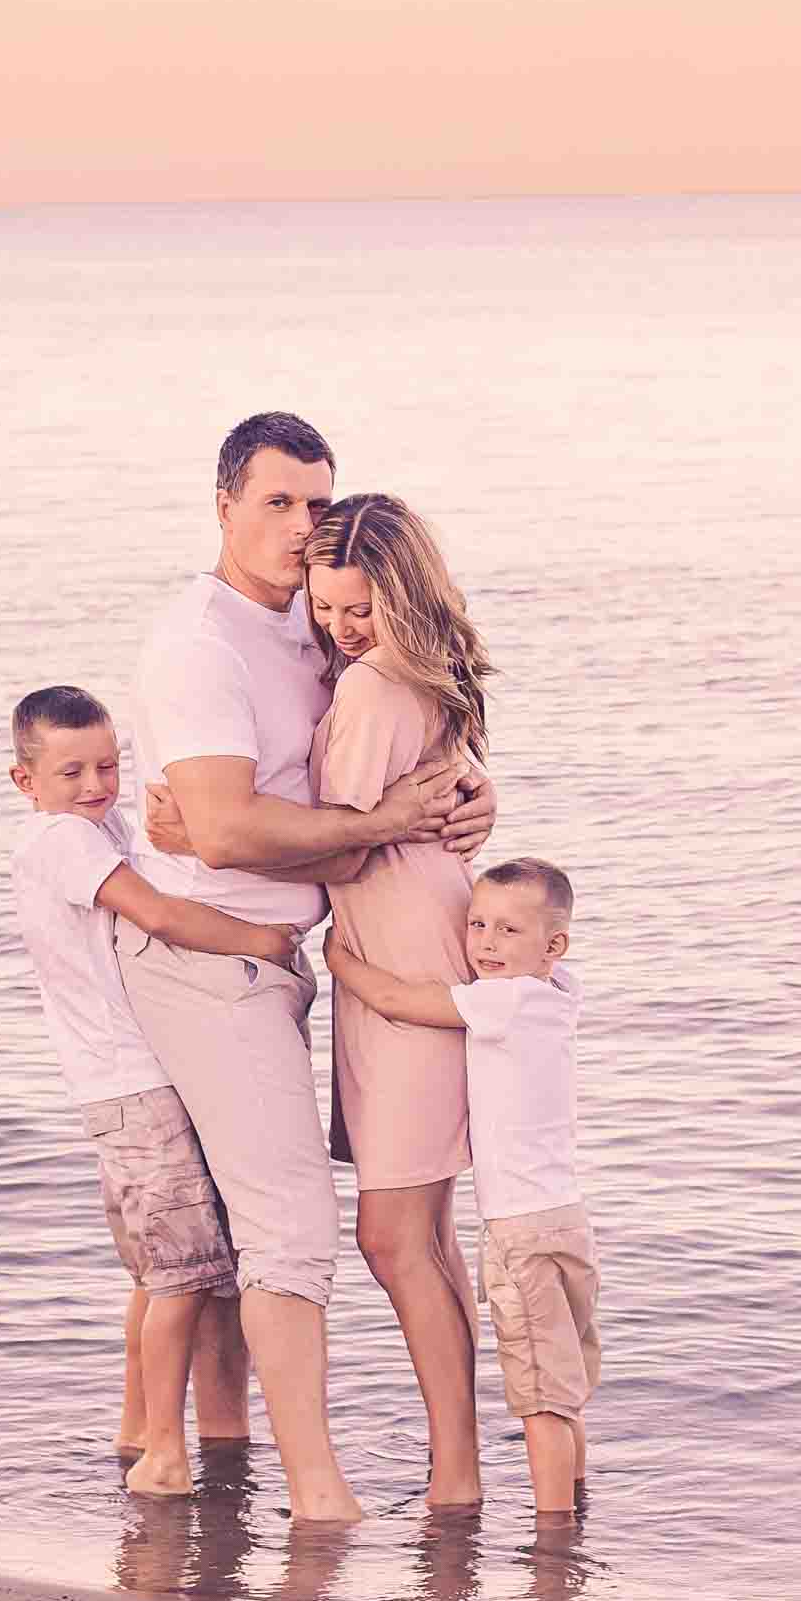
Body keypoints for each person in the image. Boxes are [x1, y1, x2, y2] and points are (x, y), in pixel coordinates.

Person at [124, 411, 494, 1525]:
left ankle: (196, 1452)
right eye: (277, 503)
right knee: (290, 1228)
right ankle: (320, 1497)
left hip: (293, 961)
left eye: (314, 506)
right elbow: (231, 831)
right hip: (215, 960)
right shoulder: (201, 643)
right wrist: (381, 821)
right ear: (224, 504)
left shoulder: (314, 629)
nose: (299, 528)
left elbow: (407, 731)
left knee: (252, 1230)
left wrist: (461, 791)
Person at [7, 682, 302, 1498]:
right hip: (134, 1085)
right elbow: (161, 917)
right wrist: (263, 943)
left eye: (108, 765)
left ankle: (139, 1428)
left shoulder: (99, 829)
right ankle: (165, 1454)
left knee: (155, 1273)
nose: (96, 786)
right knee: (181, 1277)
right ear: (24, 781)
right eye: (71, 772)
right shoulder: (63, 842)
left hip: (122, 1084)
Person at [305, 494, 491, 1511]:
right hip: (405, 948)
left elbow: (338, 837)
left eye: (360, 608)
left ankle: (458, 1474)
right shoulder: (408, 677)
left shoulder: (379, 687)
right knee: (422, 1234)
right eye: (328, 609)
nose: (344, 628)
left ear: (404, 590)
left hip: (404, 956)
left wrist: (200, 831)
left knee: (393, 1236)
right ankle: (456, 1466)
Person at [323, 858, 598, 1519]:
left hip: (519, 1230)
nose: (485, 944)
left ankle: (553, 1536)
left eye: (508, 931)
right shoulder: (561, 992)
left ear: (552, 946)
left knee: (538, 1398)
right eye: (476, 925)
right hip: (567, 1219)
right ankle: (579, 1503)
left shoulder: (501, 1001)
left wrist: (340, 958)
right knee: (565, 1382)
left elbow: (395, 1001)